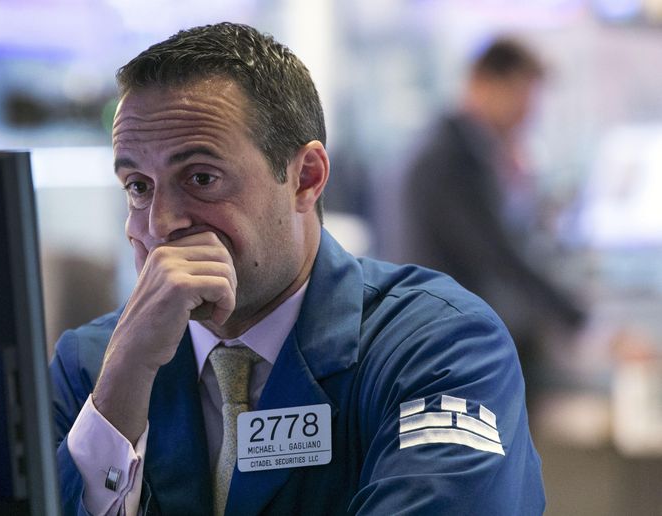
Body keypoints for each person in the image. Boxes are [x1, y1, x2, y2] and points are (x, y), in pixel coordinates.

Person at [50, 23, 544, 515]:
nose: (160, 225)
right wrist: (118, 395)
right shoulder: (91, 371)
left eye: (201, 178)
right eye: (138, 186)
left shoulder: (440, 348)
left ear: (306, 178)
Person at [397, 37, 585, 405]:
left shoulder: (468, 152)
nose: (527, 112)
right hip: (450, 355)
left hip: (458, 343)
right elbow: (499, 254)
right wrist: (579, 318)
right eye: (520, 95)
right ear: (482, 84)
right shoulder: (451, 159)